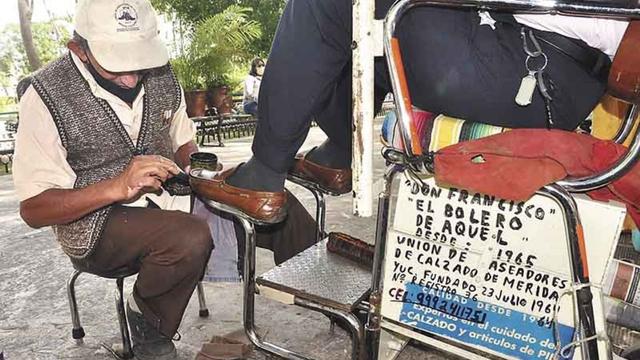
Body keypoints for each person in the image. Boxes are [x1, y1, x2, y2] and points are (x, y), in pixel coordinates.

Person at [190, 0, 630, 223]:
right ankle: (343, 148)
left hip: (529, 71)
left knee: (323, 5)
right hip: (550, 74)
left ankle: (265, 170)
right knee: (372, 22)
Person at [13, 1, 213, 359]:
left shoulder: (163, 75)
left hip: (167, 202)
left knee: (262, 194)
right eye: (116, 62)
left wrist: (198, 169)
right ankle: (148, 328)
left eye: (139, 59)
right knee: (189, 236)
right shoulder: (44, 94)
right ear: (80, 50)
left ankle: (333, 298)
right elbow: (33, 209)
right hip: (91, 224)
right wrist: (117, 186)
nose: (132, 77)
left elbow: (182, 139)